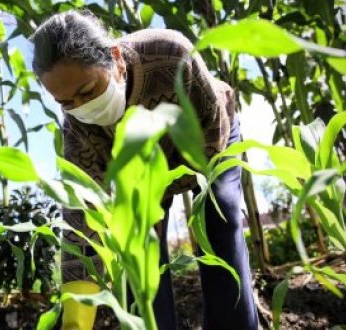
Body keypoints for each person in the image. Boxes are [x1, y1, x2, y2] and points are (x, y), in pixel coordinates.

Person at [30, 10, 259, 330]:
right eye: (65, 102)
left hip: (210, 140)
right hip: (137, 168)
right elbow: (80, 221)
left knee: (221, 213)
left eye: (87, 91)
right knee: (138, 253)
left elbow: (212, 134)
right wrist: (76, 322)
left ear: (115, 60)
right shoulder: (77, 130)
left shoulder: (171, 55)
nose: (80, 107)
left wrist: (159, 188)